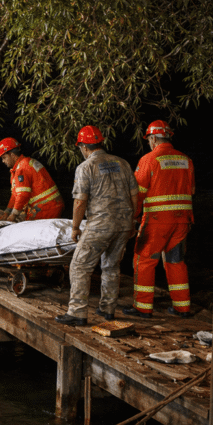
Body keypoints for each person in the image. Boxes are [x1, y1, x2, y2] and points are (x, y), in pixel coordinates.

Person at [55, 126, 138, 326]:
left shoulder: (86, 167)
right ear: (100, 143)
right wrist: (132, 221)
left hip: (100, 224)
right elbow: (135, 196)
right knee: (111, 266)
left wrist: (75, 227)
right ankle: (108, 309)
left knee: (79, 266)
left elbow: (80, 202)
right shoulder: (123, 163)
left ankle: (77, 312)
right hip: (123, 224)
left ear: (84, 147)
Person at [124, 120, 195, 319]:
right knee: (176, 261)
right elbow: (191, 190)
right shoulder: (186, 160)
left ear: (153, 139)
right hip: (182, 222)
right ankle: (182, 307)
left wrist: (132, 218)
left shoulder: (148, 160)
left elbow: (137, 194)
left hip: (157, 221)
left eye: (149, 140)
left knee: (144, 261)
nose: (149, 143)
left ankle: (143, 307)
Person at [0, 137, 64, 222]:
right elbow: (15, 195)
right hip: (50, 204)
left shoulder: (22, 168)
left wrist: (13, 215)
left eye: (4, 157)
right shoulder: (24, 164)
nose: (3, 161)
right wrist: (7, 212)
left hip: (46, 207)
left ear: (12, 155)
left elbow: (22, 195)